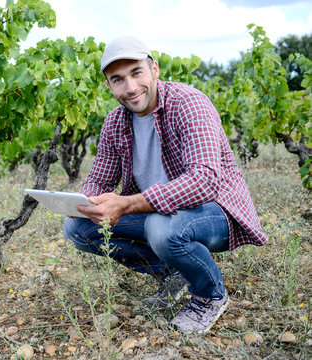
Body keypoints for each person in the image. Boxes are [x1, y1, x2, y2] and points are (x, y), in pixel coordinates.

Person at [62, 36, 268, 334]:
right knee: (78, 229)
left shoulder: (189, 103)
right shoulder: (114, 122)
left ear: (154, 69)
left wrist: (128, 203)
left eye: (136, 73)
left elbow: (205, 181)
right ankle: (175, 273)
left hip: (214, 212)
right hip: (157, 214)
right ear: (110, 86)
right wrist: (81, 202)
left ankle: (210, 295)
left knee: (163, 228)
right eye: (118, 79)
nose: (130, 88)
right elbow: (99, 178)